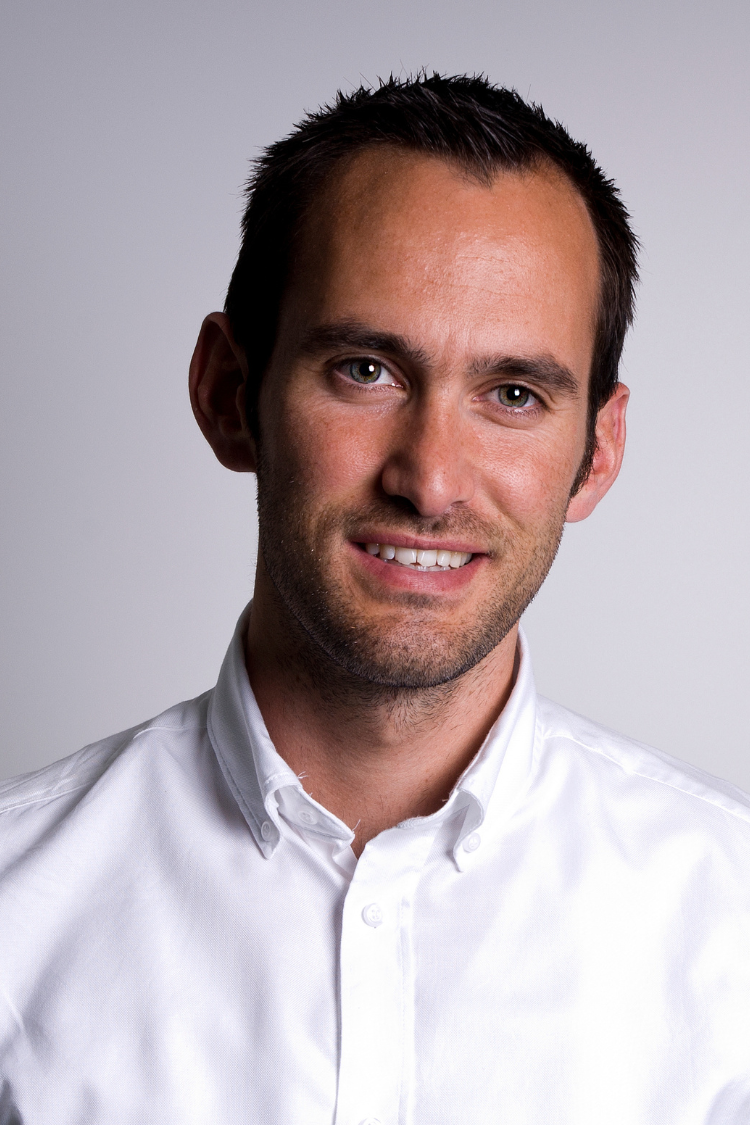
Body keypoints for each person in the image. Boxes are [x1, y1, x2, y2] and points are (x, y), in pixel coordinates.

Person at [0, 73, 748, 1124]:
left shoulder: (732, 927)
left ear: (598, 451)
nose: (431, 479)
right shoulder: (15, 923)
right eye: (364, 370)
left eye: (514, 395)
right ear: (229, 395)